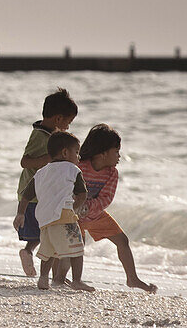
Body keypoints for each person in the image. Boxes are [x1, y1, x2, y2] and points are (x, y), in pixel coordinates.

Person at [76, 123, 157, 293]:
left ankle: (132, 278)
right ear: (103, 153)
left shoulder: (112, 172)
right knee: (74, 245)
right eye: (116, 151)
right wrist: (77, 206)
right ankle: (66, 278)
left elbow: (106, 198)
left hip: (95, 214)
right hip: (74, 215)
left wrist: (88, 207)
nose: (119, 156)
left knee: (123, 241)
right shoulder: (79, 166)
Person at [14, 131, 94, 291]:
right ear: (65, 152)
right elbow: (82, 193)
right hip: (64, 216)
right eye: (76, 152)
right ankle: (77, 280)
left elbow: (26, 195)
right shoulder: (72, 169)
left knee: (48, 250)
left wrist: (20, 214)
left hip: (44, 219)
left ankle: (43, 279)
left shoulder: (41, 172)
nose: (78, 157)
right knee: (77, 248)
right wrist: (76, 208)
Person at [16, 88, 78, 276]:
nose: (67, 127)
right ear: (58, 119)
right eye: (68, 122)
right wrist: (49, 159)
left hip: (44, 194)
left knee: (47, 232)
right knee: (44, 232)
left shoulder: (51, 136)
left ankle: (40, 262)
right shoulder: (39, 135)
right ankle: (30, 254)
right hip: (34, 195)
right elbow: (25, 162)